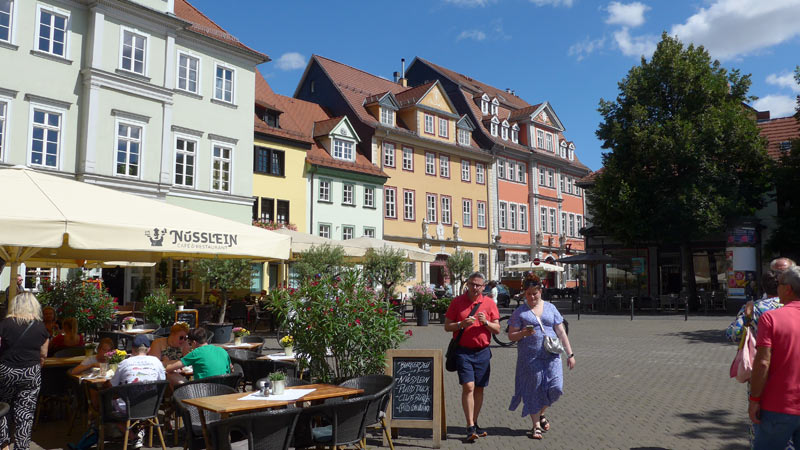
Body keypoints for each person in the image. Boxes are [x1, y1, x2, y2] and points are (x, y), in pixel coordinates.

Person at [507, 273, 575, 440]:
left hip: (551, 355)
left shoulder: (551, 308)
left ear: (540, 292)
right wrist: (523, 332)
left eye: (534, 293)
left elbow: (561, 331)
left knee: (556, 388)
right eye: (528, 294)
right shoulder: (520, 312)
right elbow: (511, 336)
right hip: (530, 357)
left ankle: (541, 413)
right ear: (524, 294)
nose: (532, 297)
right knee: (533, 389)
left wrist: (570, 354)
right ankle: (536, 425)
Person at [444, 272, 500, 442]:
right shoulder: (457, 302)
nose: (475, 288)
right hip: (463, 351)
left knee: (479, 388)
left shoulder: (489, 303)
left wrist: (486, 323)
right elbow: (447, 326)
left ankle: (474, 422)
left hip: (482, 352)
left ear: (484, 287)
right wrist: (461, 324)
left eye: (478, 285)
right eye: (472, 284)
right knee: (468, 386)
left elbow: (497, 329)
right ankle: (469, 426)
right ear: (467, 284)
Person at [749, 266, 800, 449]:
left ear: (788, 289)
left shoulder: (771, 318)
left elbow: (763, 362)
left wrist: (754, 400)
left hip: (778, 406)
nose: (776, 289)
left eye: (779, 284)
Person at [0, 293, 50, 450]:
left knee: (3, 408)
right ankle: (21, 447)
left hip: (6, 371)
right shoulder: (41, 327)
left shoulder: (5, 324)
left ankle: (4, 445)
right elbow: (44, 354)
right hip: (30, 372)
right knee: (25, 413)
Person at [165, 327, 231, 380]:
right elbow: (231, 368)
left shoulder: (196, 353)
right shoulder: (222, 350)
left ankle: (178, 395)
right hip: (225, 387)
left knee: (171, 375)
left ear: (194, 342)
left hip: (202, 390)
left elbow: (169, 369)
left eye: (190, 343)